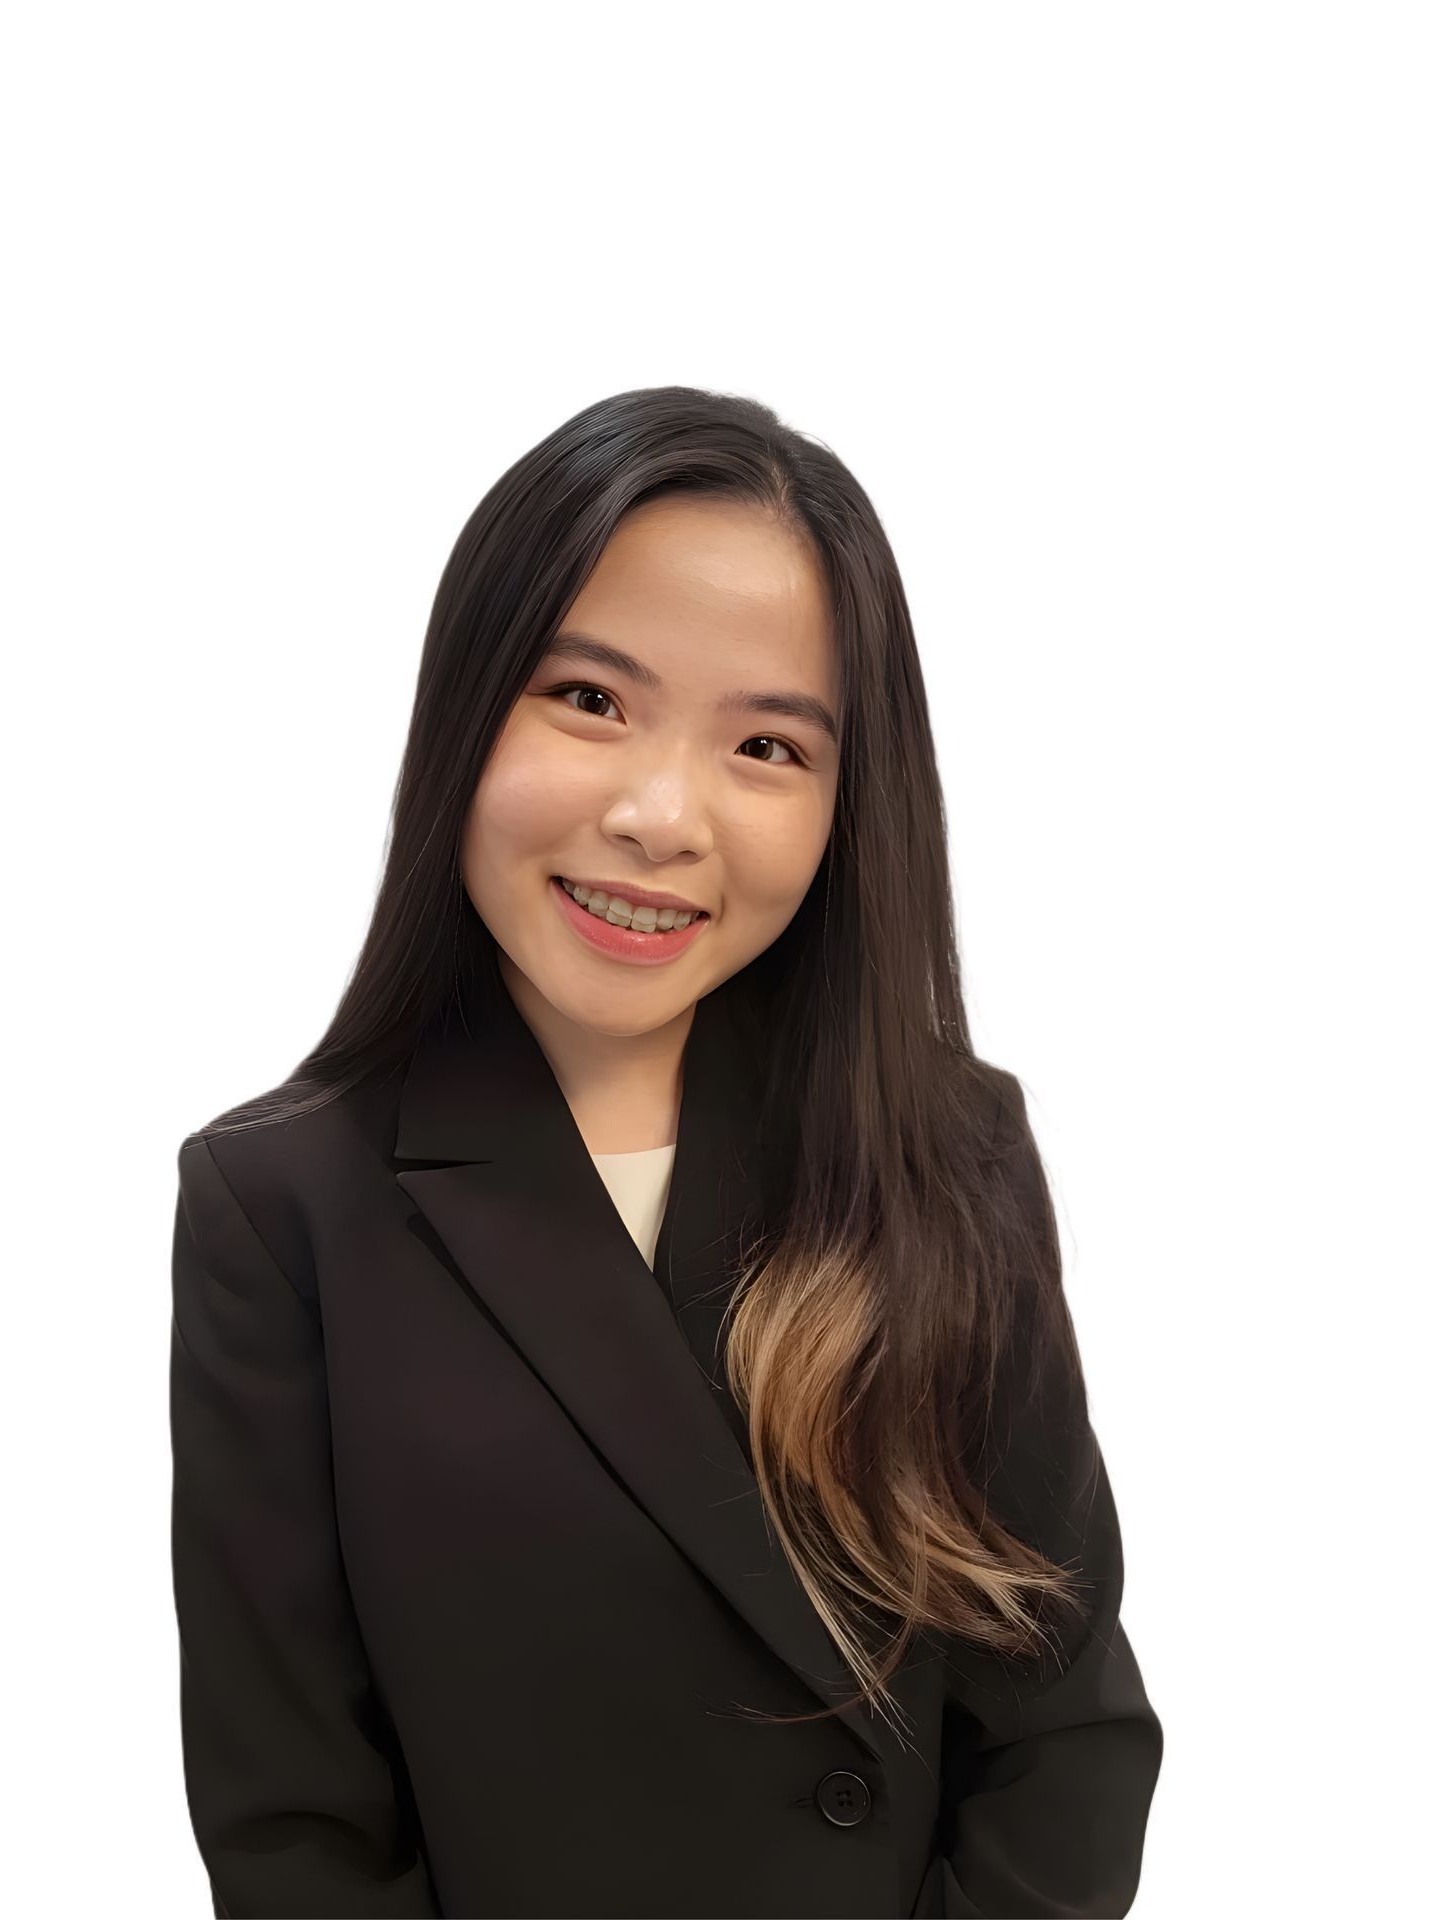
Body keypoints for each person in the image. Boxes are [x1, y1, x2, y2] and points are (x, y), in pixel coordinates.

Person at [169, 385, 1164, 1919]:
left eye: (768, 744)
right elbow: (301, 1824)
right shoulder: (283, 1208)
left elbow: (1066, 1732)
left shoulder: (944, 1154)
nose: (660, 815)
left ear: (848, 805)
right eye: (589, 699)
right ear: (465, 703)